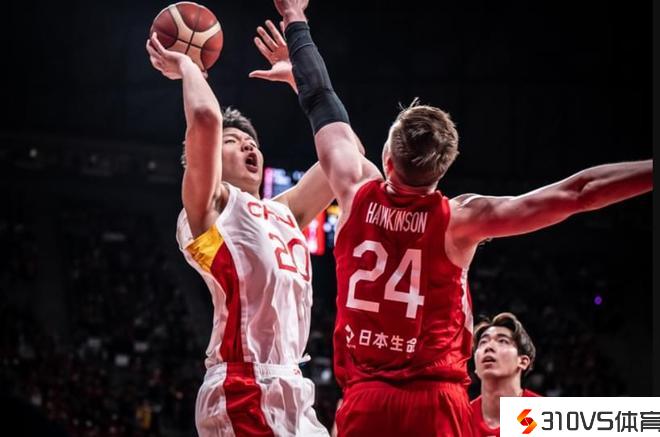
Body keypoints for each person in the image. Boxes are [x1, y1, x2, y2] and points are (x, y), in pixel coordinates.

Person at [272, 1, 654, 435]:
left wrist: (295, 20)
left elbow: (322, 100)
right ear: (442, 171)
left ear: (387, 159)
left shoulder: (353, 186)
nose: (490, 345)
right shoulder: (459, 219)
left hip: (367, 399)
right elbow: (579, 192)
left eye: (501, 341)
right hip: (436, 403)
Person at [145, 19, 342, 436]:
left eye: (251, 141)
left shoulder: (285, 211)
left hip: (293, 386)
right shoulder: (211, 209)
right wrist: (188, 65)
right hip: (242, 388)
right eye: (233, 142)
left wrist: (301, 83)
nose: (248, 144)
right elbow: (204, 118)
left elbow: (344, 155)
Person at [471, 313, 541, 437]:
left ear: (523, 361)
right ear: (476, 367)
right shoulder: (460, 417)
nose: (489, 347)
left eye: (502, 341)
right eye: (483, 342)